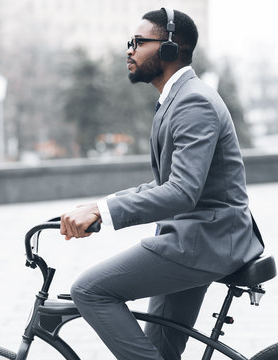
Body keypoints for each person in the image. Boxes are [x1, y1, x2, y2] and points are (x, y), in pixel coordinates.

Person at [60, 8, 264, 360]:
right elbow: (163, 183)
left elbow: (181, 192)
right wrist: (97, 207)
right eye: (130, 42)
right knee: (158, 352)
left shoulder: (193, 101)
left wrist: (101, 211)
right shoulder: (177, 99)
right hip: (197, 239)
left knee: (90, 290)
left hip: (203, 243)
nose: (129, 50)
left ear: (170, 49)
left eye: (138, 42)